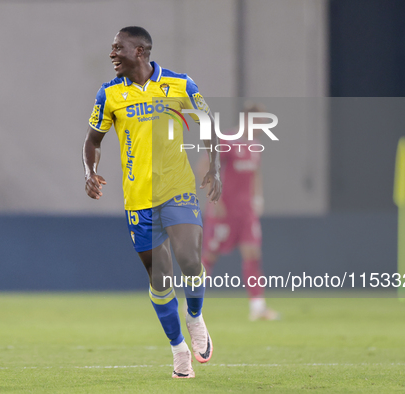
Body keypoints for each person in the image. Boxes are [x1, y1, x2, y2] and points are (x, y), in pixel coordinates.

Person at [82, 26, 222, 379]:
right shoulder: (109, 94)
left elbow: (207, 124)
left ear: (140, 51)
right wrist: (89, 172)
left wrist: (214, 167)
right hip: (138, 200)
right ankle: (178, 350)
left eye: (119, 48)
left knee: (190, 259)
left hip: (178, 190)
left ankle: (195, 316)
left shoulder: (180, 84)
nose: (112, 54)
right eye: (112, 48)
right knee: (160, 280)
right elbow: (93, 140)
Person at [199, 105, 279, 321]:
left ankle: (258, 308)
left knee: (253, 254)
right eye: (260, 121)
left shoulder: (255, 145)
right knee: (209, 257)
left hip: (246, 213)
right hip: (224, 211)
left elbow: (256, 173)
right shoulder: (227, 140)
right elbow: (206, 165)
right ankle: (192, 304)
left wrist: (258, 198)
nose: (263, 127)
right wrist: (214, 198)